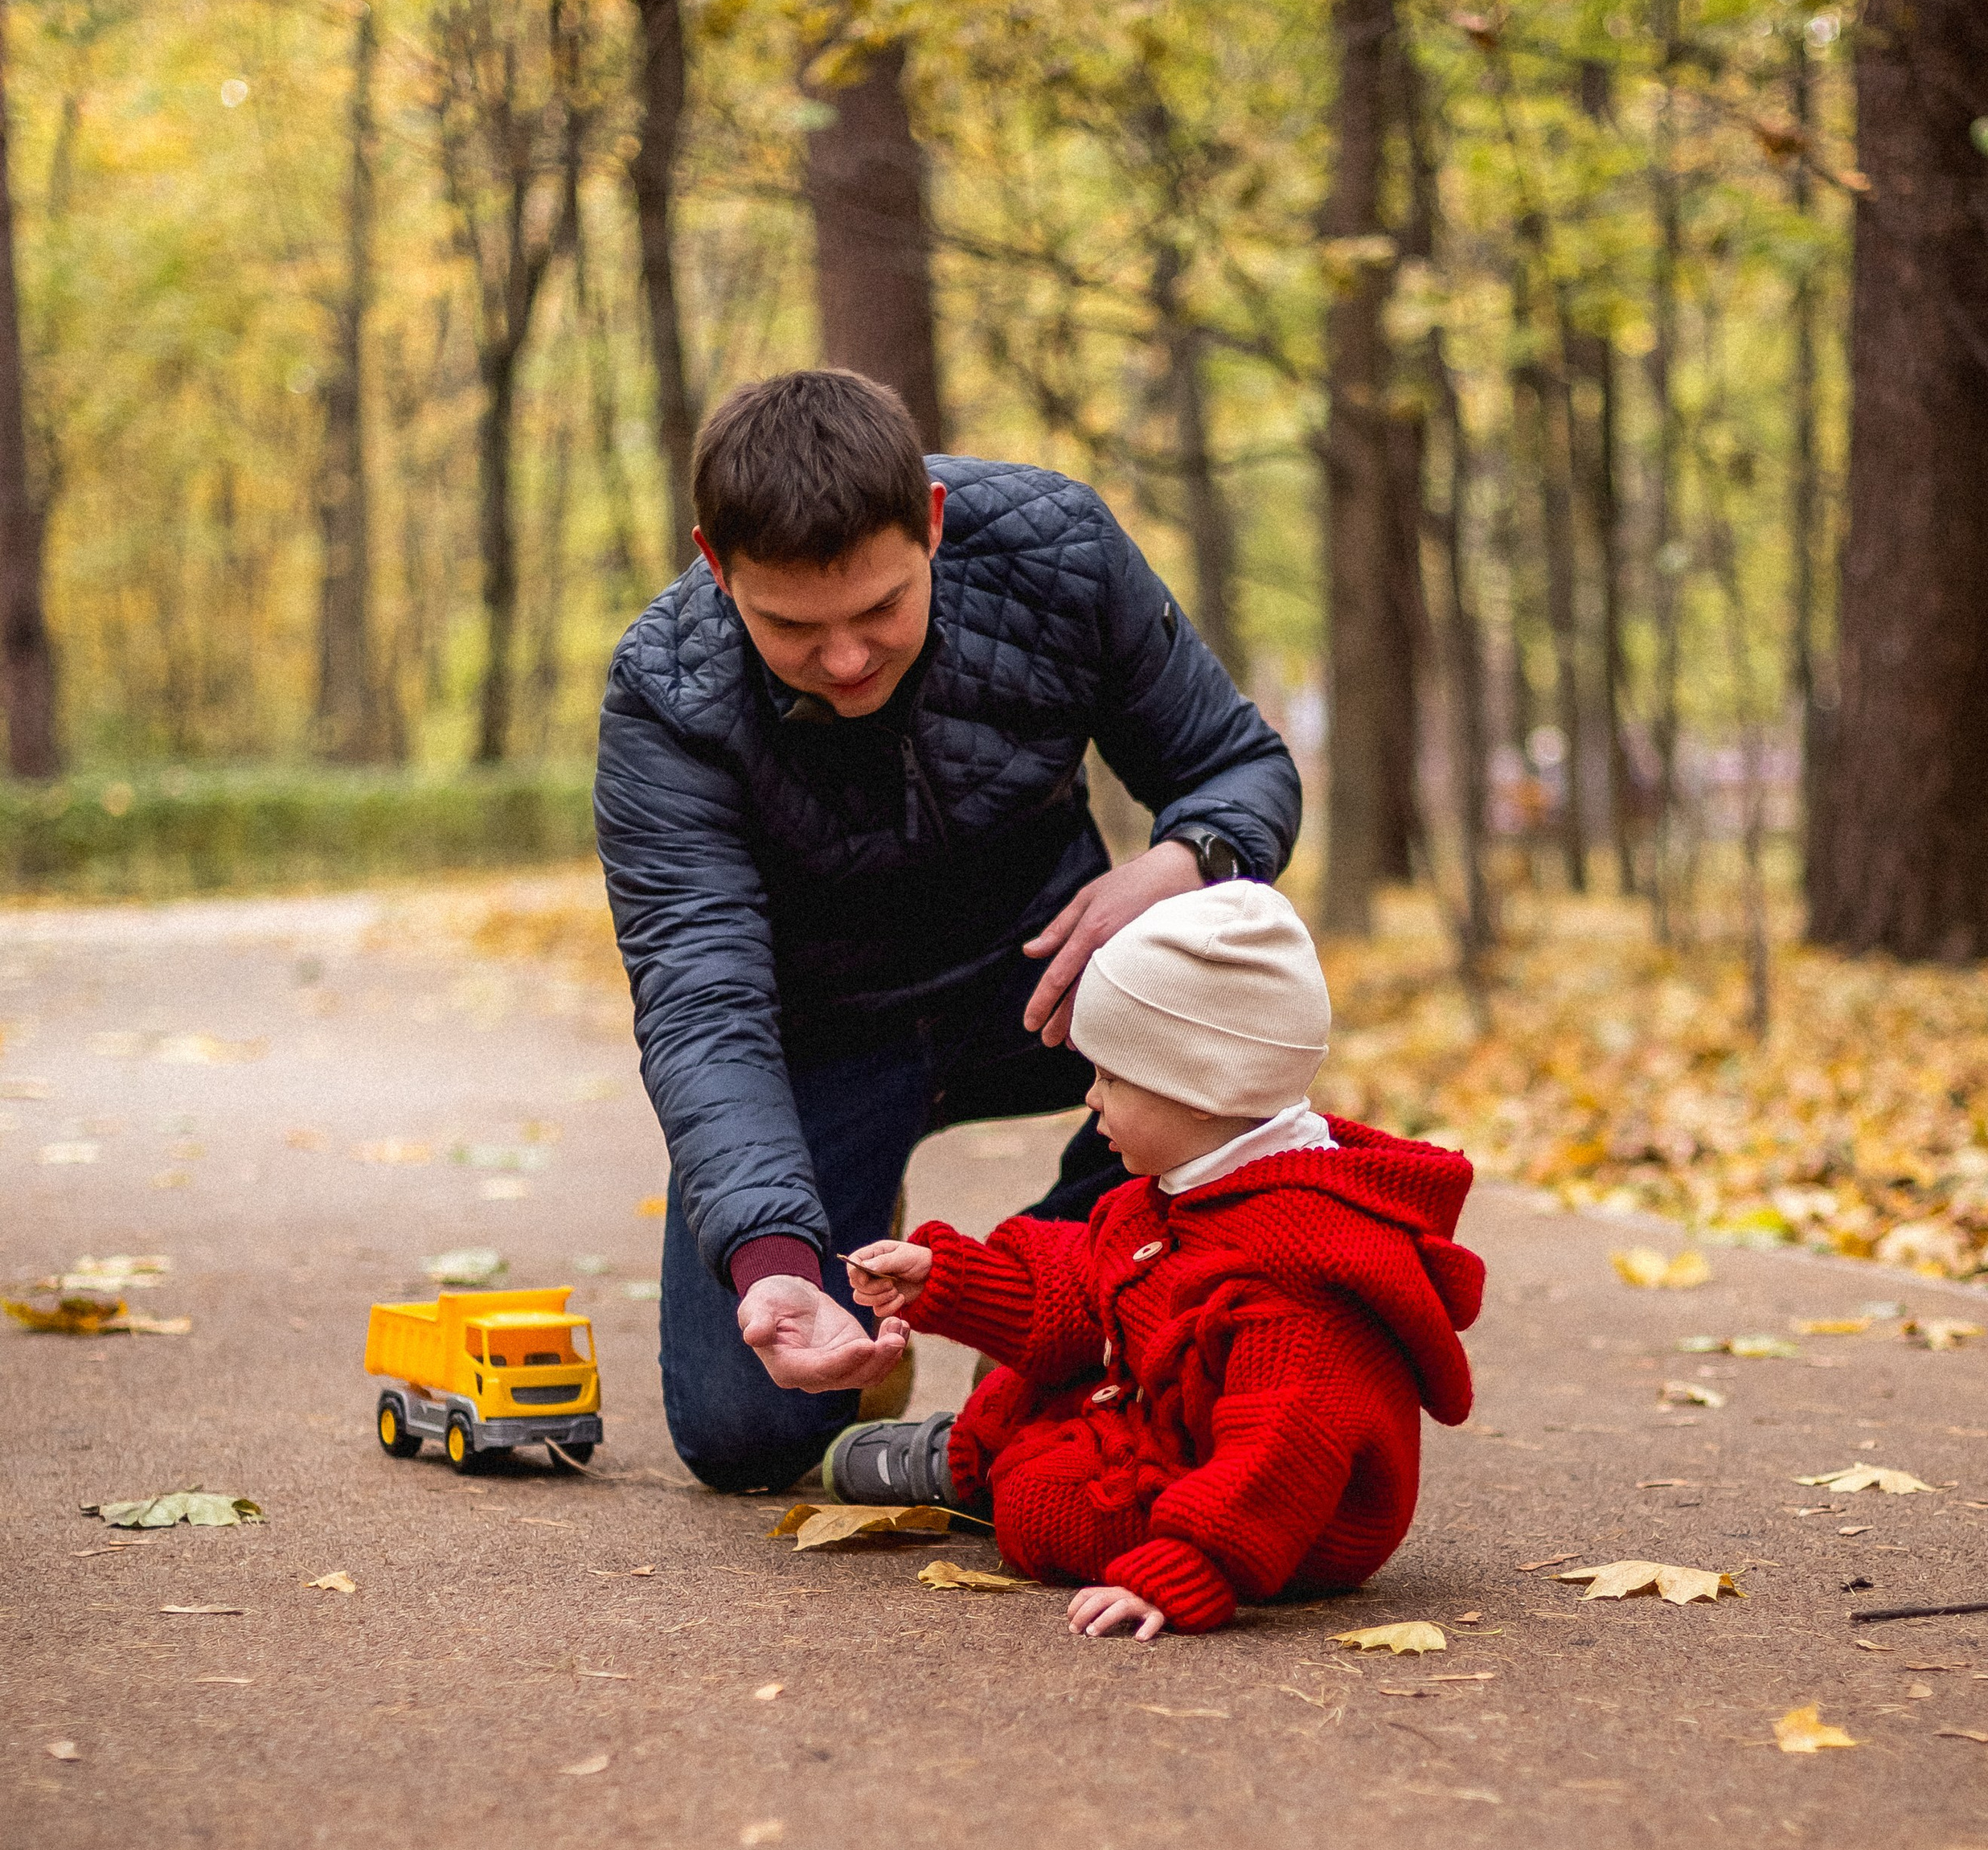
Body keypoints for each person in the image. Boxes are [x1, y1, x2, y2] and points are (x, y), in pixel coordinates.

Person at [594, 367, 1301, 1494]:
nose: (844, 659)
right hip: (827, 1033)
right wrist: (775, 1260)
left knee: (1242, 939)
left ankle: (1076, 1288)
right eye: (791, 625)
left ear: (930, 522)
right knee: (749, 1432)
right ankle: (855, 1239)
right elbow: (702, 1005)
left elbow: (1235, 767)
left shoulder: (1055, 552)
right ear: (719, 567)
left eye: (880, 609)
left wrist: (1181, 863)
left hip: (1051, 989)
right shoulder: (665, 696)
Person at [824, 882, 1486, 1637]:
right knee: (1038, 1376)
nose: (1092, 1101)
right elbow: (1081, 1277)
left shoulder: (1299, 1270)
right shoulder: (1186, 1185)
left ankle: (988, 1480)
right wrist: (951, 1278)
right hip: (1180, 1426)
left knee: (1042, 1504)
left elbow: (1284, 1444)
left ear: (1199, 1088)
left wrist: (1190, 1566)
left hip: (1285, 1518)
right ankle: (967, 1458)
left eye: (1111, 1078)